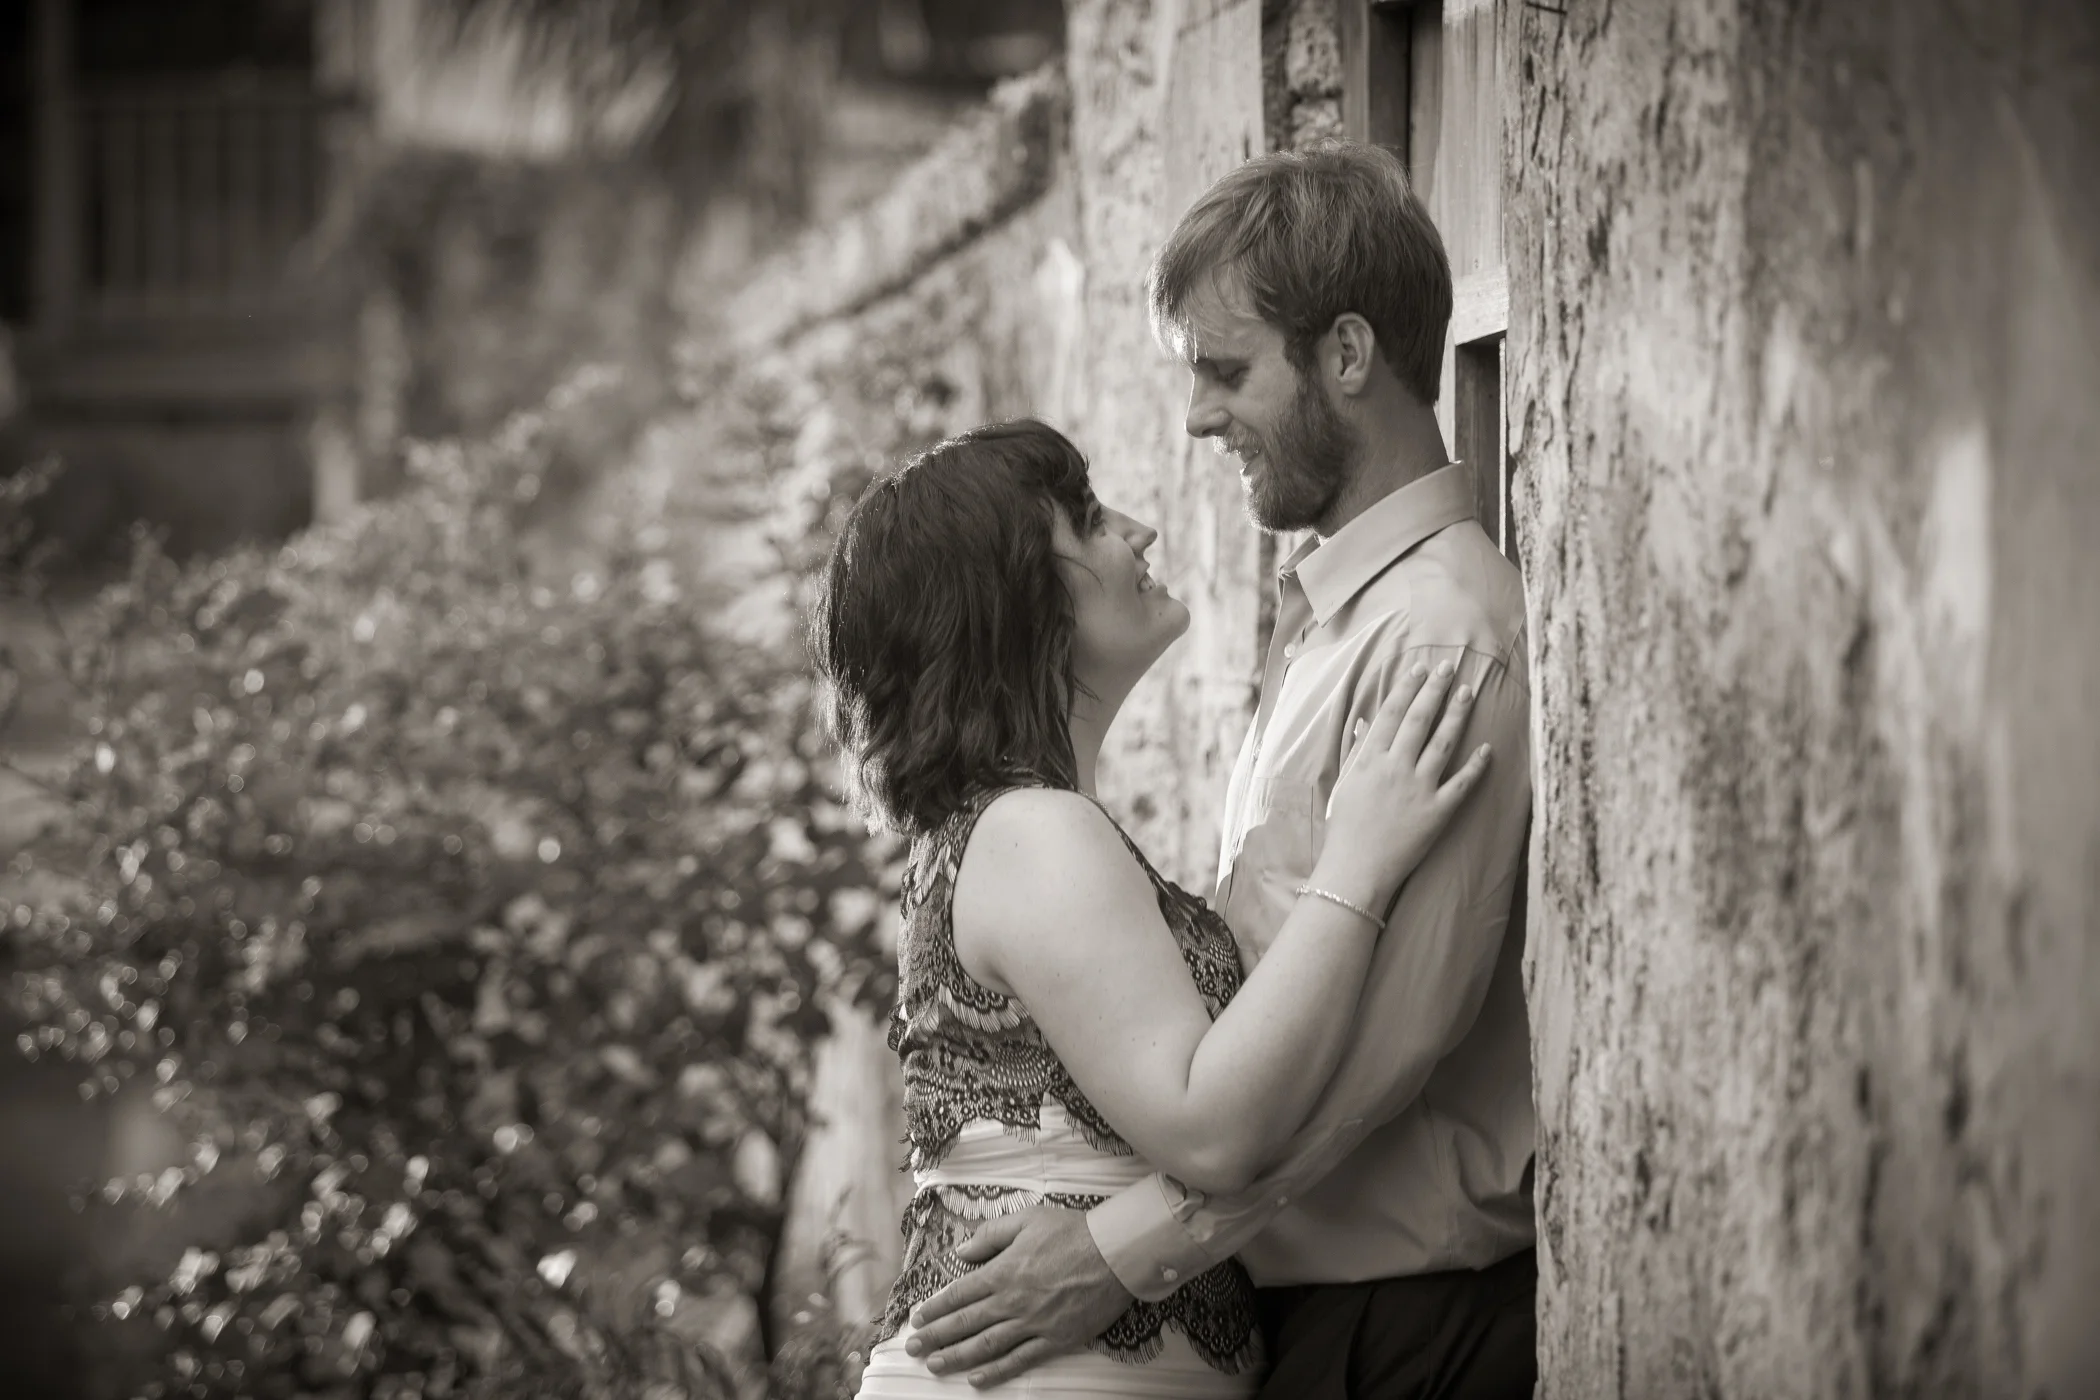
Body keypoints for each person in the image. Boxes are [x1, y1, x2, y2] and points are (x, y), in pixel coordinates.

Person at [901, 143, 1537, 1398]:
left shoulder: (1441, 636)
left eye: (1227, 370)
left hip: (1407, 1325)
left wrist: (1117, 1250)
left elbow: (1385, 1049)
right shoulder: (1332, 620)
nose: (1197, 418)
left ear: (1348, 356)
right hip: (1308, 1310)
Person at [812, 418, 1495, 1398]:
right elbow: (1211, 1128)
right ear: (1012, 602)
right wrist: (1361, 862)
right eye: (1087, 520)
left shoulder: (1011, 831)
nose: (1139, 530)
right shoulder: (1032, 830)